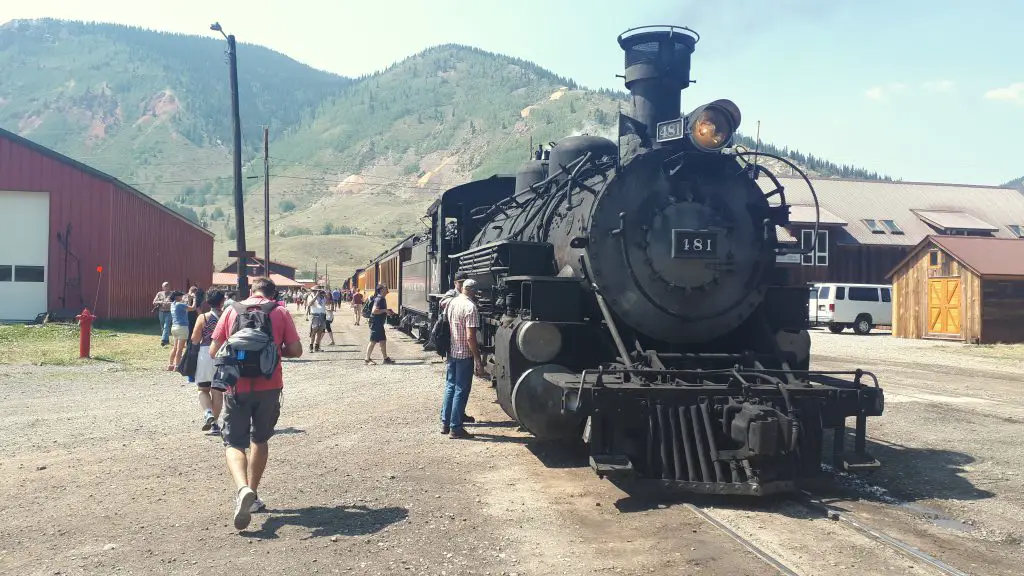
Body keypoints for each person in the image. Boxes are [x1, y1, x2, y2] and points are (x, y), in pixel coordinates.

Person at [210, 277, 302, 530]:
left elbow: (213, 350)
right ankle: (253, 493)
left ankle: (241, 489)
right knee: (259, 440)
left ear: (251, 291)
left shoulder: (231, 310)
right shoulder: (280, 311)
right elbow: (296, 350)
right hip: (269, 385)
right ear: (273, 294)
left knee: (233, 442)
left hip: (235, 386)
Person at [439, 279, 485, 439]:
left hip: (452, 351)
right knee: (461, 389)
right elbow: (470, 336)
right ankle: (456, 427)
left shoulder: (453, 302)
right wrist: (478, 359)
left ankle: (445, 423)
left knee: (450, 386)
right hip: (464, 353)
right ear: (472, 291)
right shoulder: (470, 307)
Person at [191, 289, 226, 434]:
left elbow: (195, 339)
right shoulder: (227, 316)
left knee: (203, 389)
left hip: (206, 355)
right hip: (223, 354)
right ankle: (215, 425)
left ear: (207, 301)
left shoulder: (203, 318)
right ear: (222, 301)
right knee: (217, 392)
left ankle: (208, 413)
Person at [364, 285, 395, 365]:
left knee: (383, 340)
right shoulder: (379, 299)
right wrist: (385, 310)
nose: (387, 289)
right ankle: (367, 359)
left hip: (378, 323)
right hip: (376, 323)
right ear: (381, 290)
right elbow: (374, 311)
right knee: (373, 341)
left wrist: (387, 312)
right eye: (385, 288)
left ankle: (385, 358)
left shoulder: (381, 298)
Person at [167, 291, 189, 371]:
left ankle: (170, 365)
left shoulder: (172, 304)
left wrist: (186, 301)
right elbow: (192, 308)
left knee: (175, 347)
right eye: (181, 296)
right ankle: (177, 366)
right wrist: (194, 299)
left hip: (174, 327)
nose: (182, 297)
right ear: (177, 297)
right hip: (182, 327)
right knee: (180, 349)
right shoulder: (180, 305)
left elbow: (185, 308)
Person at [152, 282, 173, 346]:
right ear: (162, 287)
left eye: (167, 286)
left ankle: (163, 341)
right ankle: (166, 340)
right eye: (165, 286)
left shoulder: (172, 294)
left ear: (169, 287)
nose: (166, 287)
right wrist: (160, 302)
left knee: (166, 326)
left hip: (169, 312)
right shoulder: (159, 293)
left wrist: (169, 303)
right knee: (163, 326)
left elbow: (175, 302)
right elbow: (154, 302)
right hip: (161, 312)